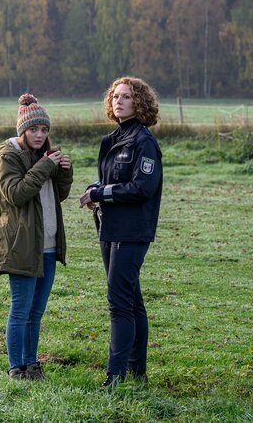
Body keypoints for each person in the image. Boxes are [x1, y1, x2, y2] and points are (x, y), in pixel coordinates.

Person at [79, 77, 163, 388]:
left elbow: (142, 188)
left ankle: (115, 376)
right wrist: (95, 189)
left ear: (140, 103)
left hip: (133, 230)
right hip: (109, 227)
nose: (119, 101)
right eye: (116, 96)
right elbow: (110, 182)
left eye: (127, 97)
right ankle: (137, 372)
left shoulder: (144, 142)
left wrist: (101, 194)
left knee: (118, 301)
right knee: (131, 301)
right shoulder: (111, 140)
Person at [0, 93, 73, 381]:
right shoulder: (8, 155)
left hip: (47, 245)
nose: (39, 134)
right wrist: (46, 167)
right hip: (21, 244)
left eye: (44, 130)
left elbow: (57, 196)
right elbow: (17, 194)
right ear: (22, 130)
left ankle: (32, 366)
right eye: (34, 129)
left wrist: (63, 175)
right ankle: (16, 368)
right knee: (21, 309)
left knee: (37, 312)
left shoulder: (43, 156)